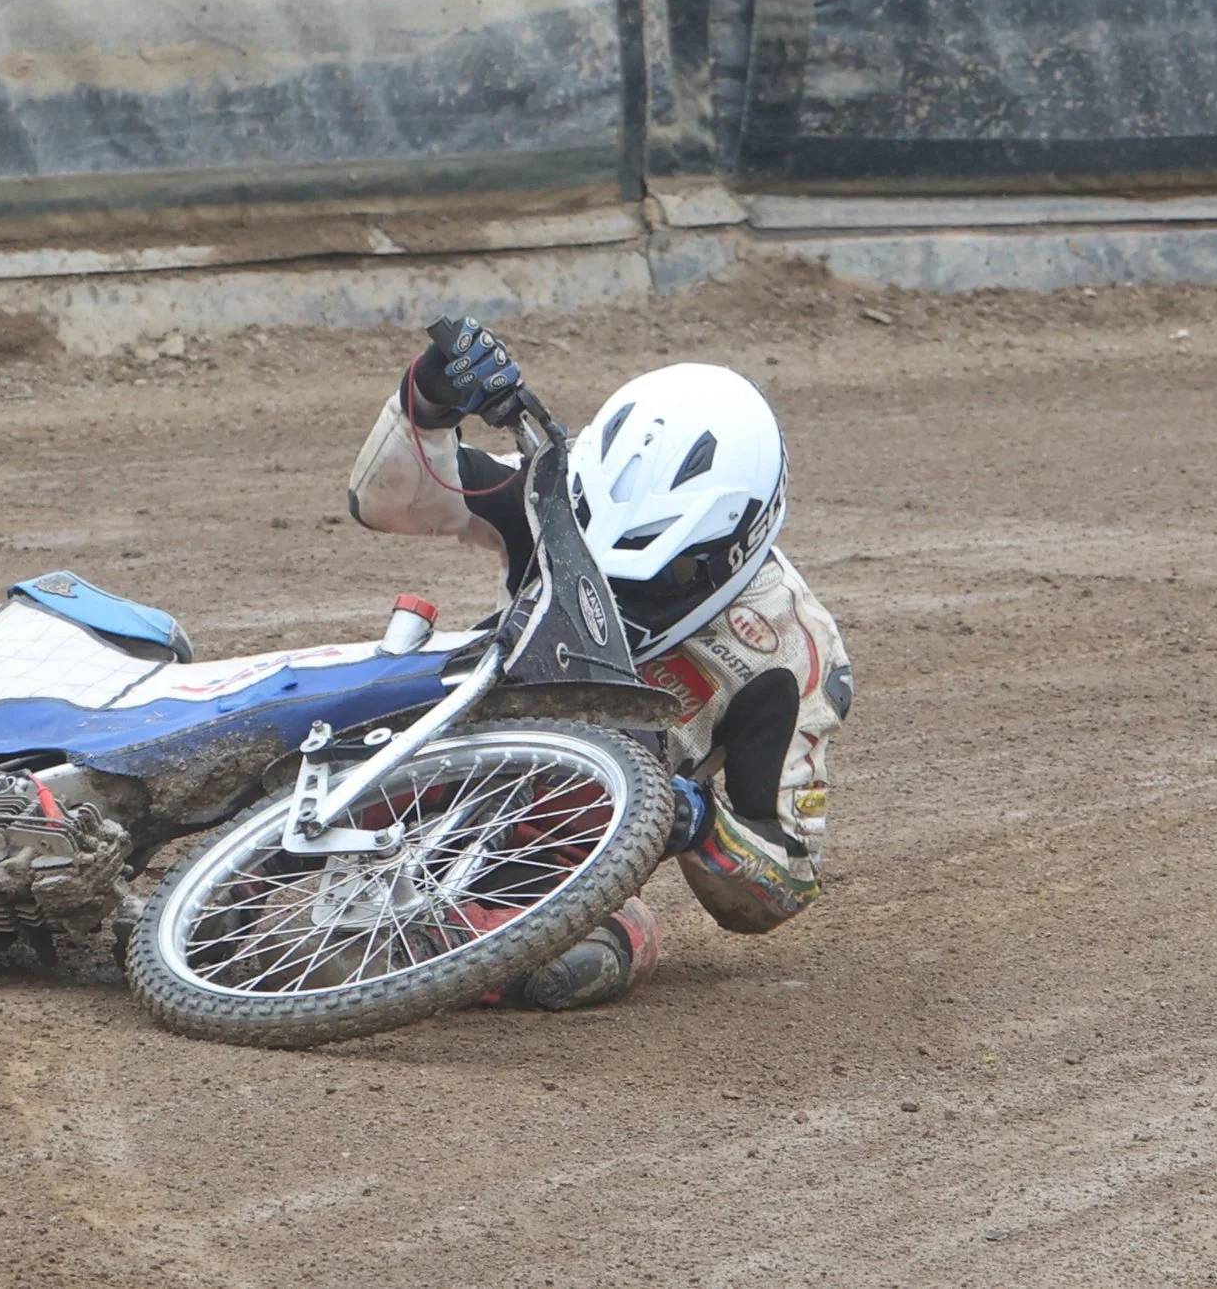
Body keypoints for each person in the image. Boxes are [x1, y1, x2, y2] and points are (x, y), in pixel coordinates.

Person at [346, 317, 851, 1009]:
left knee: (596, 951)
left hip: (562, 857)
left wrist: (700, 822)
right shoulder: (562, 492)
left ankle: (453, 939)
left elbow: (785, 876)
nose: (615, 586)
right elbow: (384, 500)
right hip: (438, 735)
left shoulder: (788, 652)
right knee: (330, 697)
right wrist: (430, 395)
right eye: (594, 539)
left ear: (735, 542)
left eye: (651, 565)